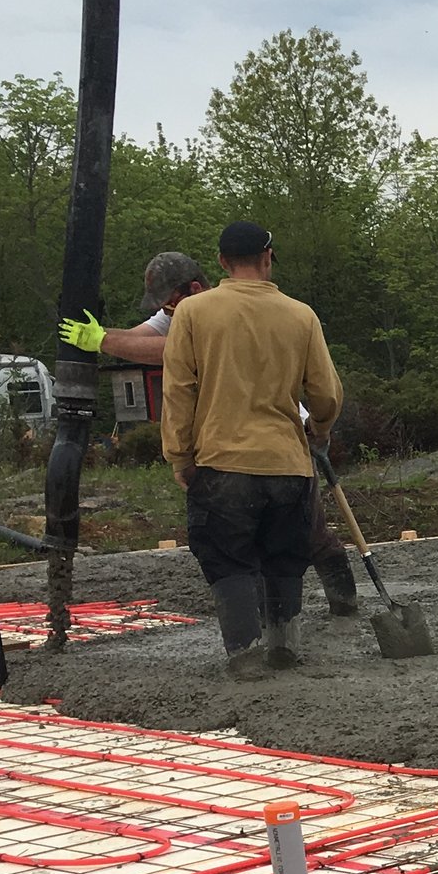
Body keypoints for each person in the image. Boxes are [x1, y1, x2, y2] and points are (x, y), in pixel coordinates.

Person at [61, 253, 361, 617]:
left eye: (170, 303)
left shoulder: (214, 315)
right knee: (245, 538)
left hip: (282, 432)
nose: (167, 312)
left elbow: (168, 351)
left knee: (305, 530)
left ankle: (342, 600)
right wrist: (100, 334)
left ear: (194, 288)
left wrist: (103, 342)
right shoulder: (178, 313)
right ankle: (269, 622)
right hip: (231, 438)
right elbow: (140, 338)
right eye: (163, 307)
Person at [158, 222, 342, 679]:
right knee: (285, 556)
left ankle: (244, 655)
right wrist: (319, 429)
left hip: (221, 464)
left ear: (221, 261)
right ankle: (285, 647)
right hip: (287, 465)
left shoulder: (194, 313)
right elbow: (326, 394)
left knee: (228, 557)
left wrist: (179, 455)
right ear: (268, 257)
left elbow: (179, 390)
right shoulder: (301, 315)